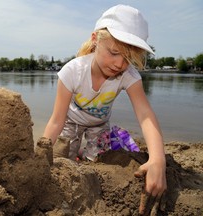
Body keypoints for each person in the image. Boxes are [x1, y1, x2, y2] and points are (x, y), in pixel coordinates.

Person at [43, 4, 166, 214]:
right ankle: (75, 150)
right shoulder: (72, 71)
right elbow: (57, 120)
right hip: (71, 121)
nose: (120, 64)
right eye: (114, 52)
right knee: (64, 158)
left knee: (96, 162)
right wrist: (42, 154)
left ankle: (85, 152)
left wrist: (158, 160)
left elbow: (145, 115)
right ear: (95, 40)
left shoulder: (129, 76)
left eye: (128, 59)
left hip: (99, 125)